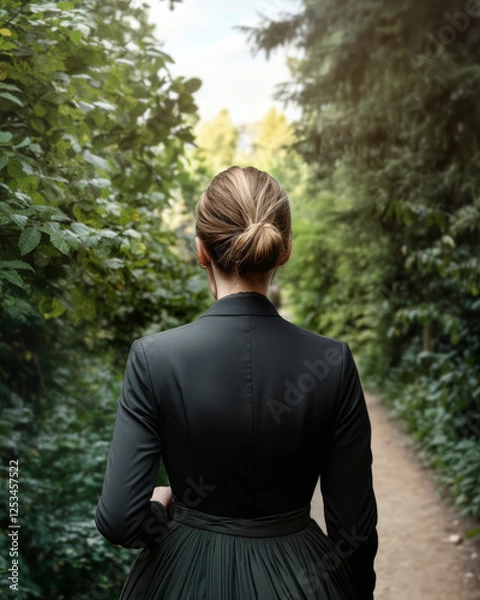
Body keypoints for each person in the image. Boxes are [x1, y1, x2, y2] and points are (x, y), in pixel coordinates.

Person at [95, 166, 378, 600]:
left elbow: (120, 520)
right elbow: (353, 527)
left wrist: (162, 506)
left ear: (201, 250)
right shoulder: (331, 361)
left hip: (180, 577)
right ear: (284, 250)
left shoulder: (155, 358)